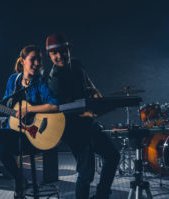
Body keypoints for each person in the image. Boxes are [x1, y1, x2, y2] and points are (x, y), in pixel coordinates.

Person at [0, 45, 58, 199]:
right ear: (23, 61)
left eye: (40, 59)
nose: (37, 63)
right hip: (18, 133)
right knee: (1, 146)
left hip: (37, 136)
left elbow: (54, 105)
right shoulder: (13, 81)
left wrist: (29, 110)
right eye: (33, 59)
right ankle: (19, 183)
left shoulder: (41, 82)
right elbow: (8, 107)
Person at [45, 33, 120, 199]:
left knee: (113, 156)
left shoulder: (77, 64)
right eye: (54, 53)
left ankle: (101, 195)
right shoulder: (54, 79)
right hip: (72, 128)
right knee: (86, 173)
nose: (59, 56)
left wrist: (99, 100)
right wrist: (88, 112)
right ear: (49, 56)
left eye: (62, 51)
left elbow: (90, 86)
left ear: (68, 49)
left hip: (88, 123)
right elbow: (62, 109)